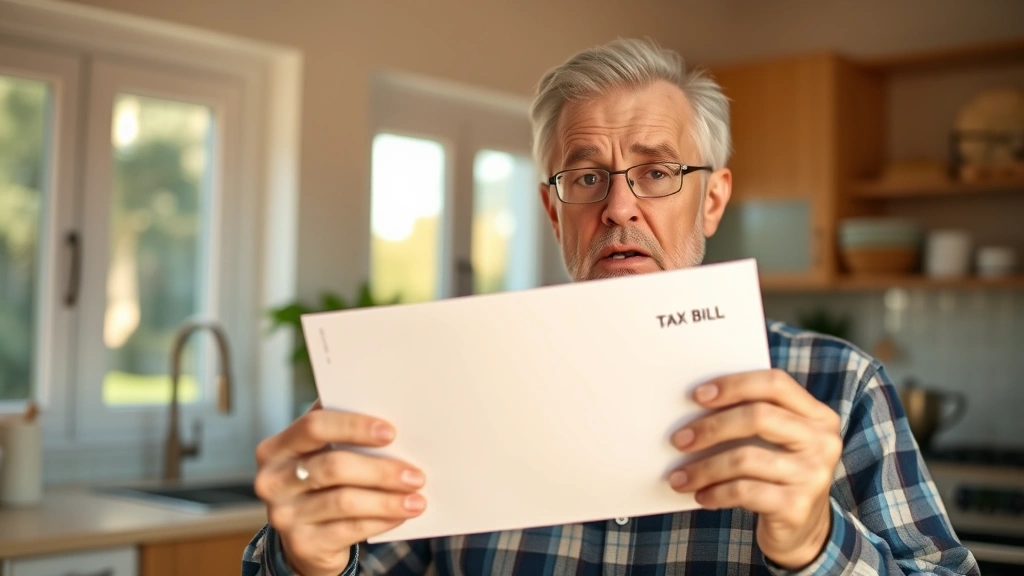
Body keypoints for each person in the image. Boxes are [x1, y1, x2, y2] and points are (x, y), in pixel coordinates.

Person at [242, 38, 979, 576]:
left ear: (712, 198)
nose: (620, 206)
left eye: (656, 172)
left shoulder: (839, 385)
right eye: (586, 178)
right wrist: (308, 559)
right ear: (552, 209)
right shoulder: (437, 383)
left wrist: (816, 543)